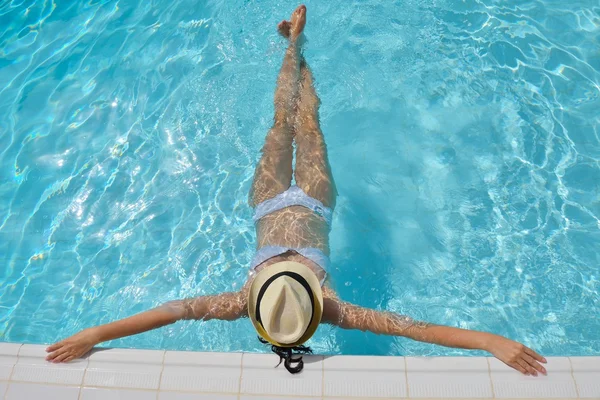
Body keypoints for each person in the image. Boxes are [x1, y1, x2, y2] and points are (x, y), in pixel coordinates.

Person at [46, 5, 547, 376]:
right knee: (308, 123)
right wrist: (487, 340)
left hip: (269, 201)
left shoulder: (243, 299)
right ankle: (296, 47)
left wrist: (96, 332)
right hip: (314, 199)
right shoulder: (325, 305)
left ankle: (293, 48)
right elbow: (410, 329)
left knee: (282, 124)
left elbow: (169, 314)